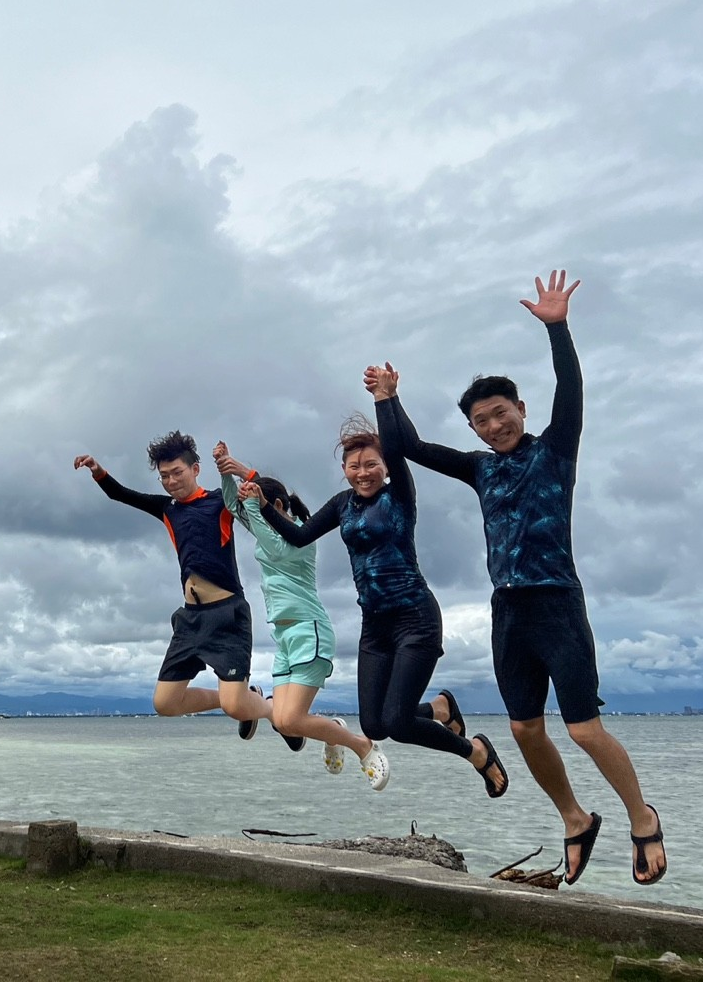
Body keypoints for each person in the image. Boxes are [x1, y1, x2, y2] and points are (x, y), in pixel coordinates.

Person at [368, 270, 666, 887]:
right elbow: (411, 447)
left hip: (557, 603)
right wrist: (387, 397)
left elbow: (571, 389)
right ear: (474, 428)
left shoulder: (554, 449)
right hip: (509, 611)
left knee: (583, 727)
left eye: (501, 413)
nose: (494, 425)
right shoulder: (479, 469)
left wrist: (558, 328)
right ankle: (574, 818)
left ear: (520, 410)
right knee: (525, 728)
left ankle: (643, 817)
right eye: (482, 420)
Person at [240, 415, 507, 798]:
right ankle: (441, 708)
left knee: (397, 723)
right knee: (374, 724)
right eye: (354, 466)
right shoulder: (342, 505)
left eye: (371, 464)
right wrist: (264, 506)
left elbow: (398, 448)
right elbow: (298, 536)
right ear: (344, 470)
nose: (363, 473)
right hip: (375, 628)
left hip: (415, 618)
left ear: (385, 467)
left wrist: (384, 398)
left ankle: (475, 751)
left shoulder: (398, 495)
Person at [211, 441, 390, 790]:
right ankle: (332, 731)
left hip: (310, 632)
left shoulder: (300, 537)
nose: (255, 516)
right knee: (284, 721)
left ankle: (362, 745)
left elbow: (276, 547)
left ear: (276, 507)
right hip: (284, 639)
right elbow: (233, 504)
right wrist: (226, 471)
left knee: (291, 718)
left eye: (262, 507)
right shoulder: (266, 531)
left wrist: (251, 492)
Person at [73, 431, 270, 734]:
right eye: (164, 476)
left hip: (227, 615)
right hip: (191, 619)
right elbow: (121, 494)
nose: (171, 481)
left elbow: (266, 495)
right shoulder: (168, 509)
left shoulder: (221, 502)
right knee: (165, 703)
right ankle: (244, 697)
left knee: (235, 707)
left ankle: (267, 708)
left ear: (195, 469)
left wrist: (236, 468)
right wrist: (98, 471)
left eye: (177, 472)